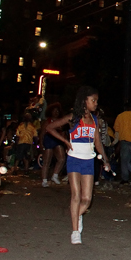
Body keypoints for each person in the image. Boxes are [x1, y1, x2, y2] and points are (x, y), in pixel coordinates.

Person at [45, 86, 110, 244]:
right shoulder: (73, 117)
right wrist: (66, 141)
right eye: (93, 100)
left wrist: (105, 160)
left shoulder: (95, 120)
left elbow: (97, 142)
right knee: (76, 195)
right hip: (74, 159)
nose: (96, 103)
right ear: (84, 101)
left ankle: (77, 216)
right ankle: (75, 231)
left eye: (96, 100)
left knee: (87, 199)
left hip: (89, 160)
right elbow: (49, 127)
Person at [41, 103, 66, 188]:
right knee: (47, 161)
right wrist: (41, 144)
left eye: (57, 111)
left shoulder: (61, 121)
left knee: (62, 158)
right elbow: (42, 133)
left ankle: (55, 175)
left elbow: (63, 132)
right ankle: (44, 180)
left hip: (58, 140)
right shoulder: (47, 121)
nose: (56, 113)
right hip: (49, 139)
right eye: (54, 111)